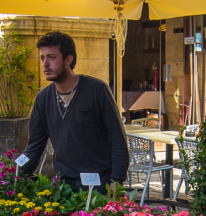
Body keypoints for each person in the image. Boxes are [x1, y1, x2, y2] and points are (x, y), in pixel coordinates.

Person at [22, 32, 129, 191]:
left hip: (100, 184)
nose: (45, 64)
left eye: (51, 57)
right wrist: (11, 172)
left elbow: (117, 138)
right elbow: (33, 149)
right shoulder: (43, 99)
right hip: (64, 187)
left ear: (68, 59)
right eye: (42, 58)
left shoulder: (96, 90)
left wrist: (117, 180)